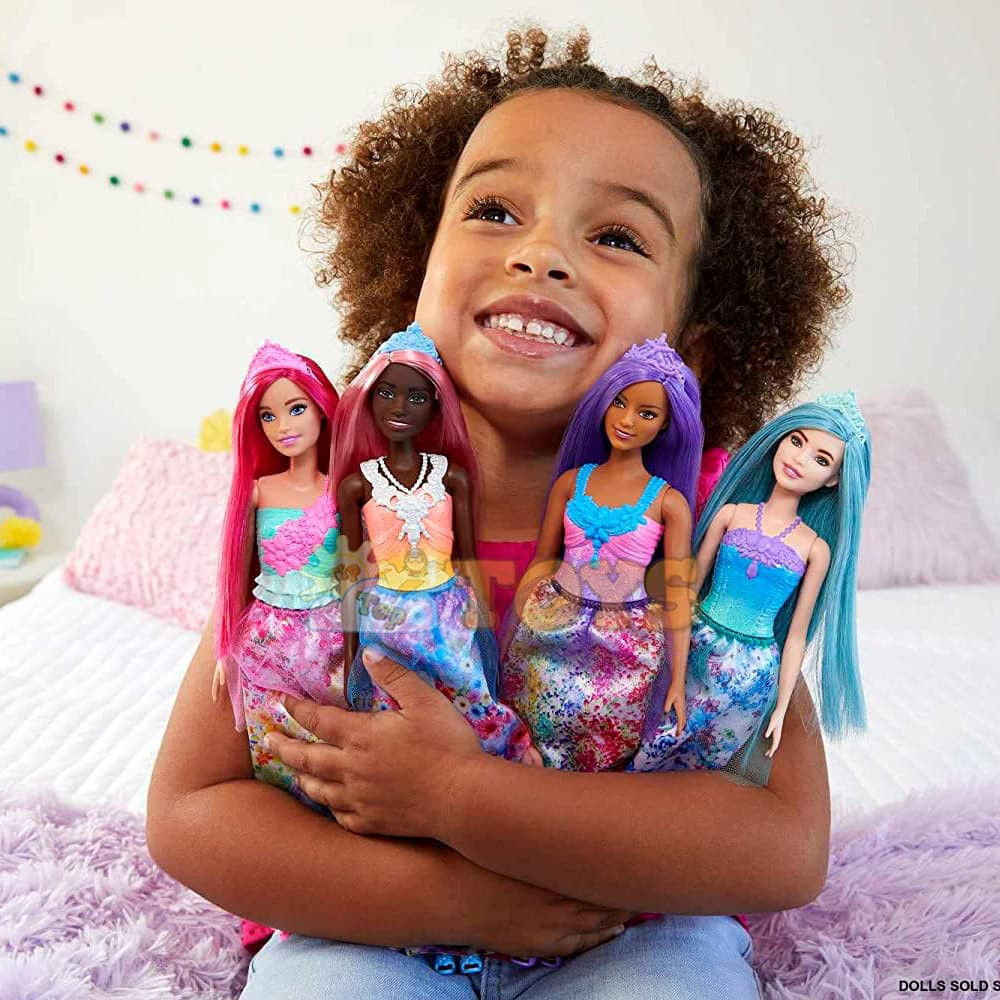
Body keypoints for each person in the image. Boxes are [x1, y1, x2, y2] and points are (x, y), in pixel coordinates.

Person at [147, 24, 847, 997]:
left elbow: (783, 845)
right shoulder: (329, 506)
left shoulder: (712, 531)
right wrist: (455, 899)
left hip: (627, 931)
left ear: (691, 344)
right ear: (412, 276)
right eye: (493, 210)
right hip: (368, 921)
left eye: (616, 236)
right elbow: (193, 809)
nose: (541, 253)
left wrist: (461, 794)